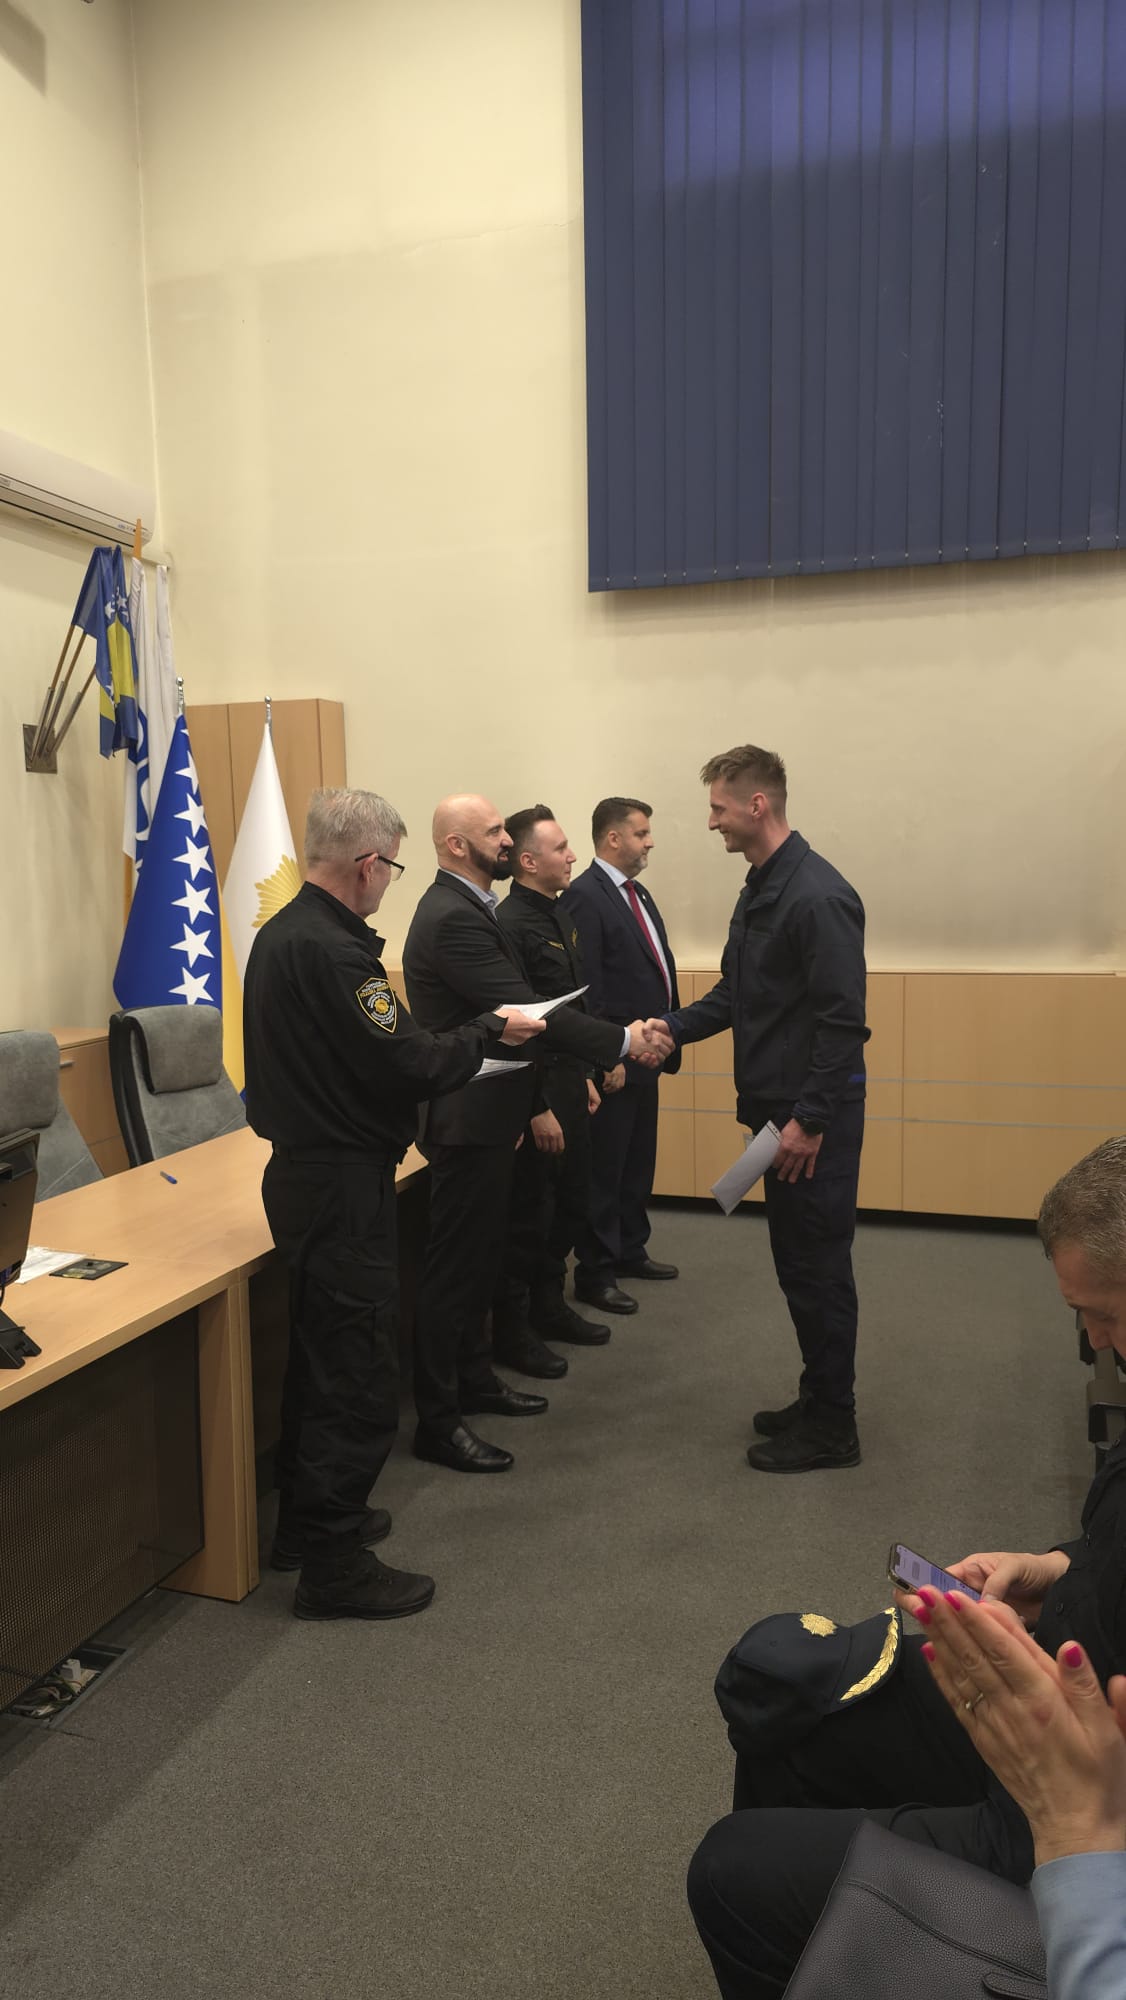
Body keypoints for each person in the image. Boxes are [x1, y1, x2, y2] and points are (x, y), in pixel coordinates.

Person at [686, 1133, 1126, 1998]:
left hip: (1075, 1821)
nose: (1092, 1338)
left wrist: (1072, 1827)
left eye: (1105, 1313)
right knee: (800, 1697)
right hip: (1060, 1694)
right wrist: (1055, 1569)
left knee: (730, 1868)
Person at [242, 786, 544, 1622]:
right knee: (355, 1373)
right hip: (340, 1185)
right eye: (393, 869)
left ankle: (306, 1525)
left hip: (307, 1175)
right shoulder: (338, 953)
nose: (389, 883)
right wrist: (490, 1031)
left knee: (319, 1358)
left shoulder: (281, 935)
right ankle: (334, 1566)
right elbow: (411, 1061)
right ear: (369, 864)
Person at [402, 794, 670, 1472]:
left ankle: (475, 1381)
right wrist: (623, 1040)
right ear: (457, 845)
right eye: (494, 831)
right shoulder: (453, 917)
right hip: (466, 1120)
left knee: (483, 1262)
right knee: (455, 1275)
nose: (506, 839)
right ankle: (439, 1422)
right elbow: (526, 1009)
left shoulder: (477, 908)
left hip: (494, 1114)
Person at [657, 744, 868, 1473]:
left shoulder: (817, 896)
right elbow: (737, 994)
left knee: (818, 1269)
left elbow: (842, 1025)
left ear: (757, 804)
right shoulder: (761, 887)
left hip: (809, 1123)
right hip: (778, 1116)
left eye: (718, 808)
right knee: (797, 1267)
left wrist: (811, 1120)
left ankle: (834, 1426)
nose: (710, 821)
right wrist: (670, 1027)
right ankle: (819, 1396)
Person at [918, 1587, 1126, 2000]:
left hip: (1073, 1842)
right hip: (1080, 1763)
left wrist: (1074, 1833)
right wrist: (1066, 1574)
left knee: (776, 1870)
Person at [496, 804, 615, 1350]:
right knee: (531, 1212)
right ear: (528, 861)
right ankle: (516, 1327)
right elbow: (520, 1024)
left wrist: (585, 1074)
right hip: (536, 1087)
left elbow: (572, 1007)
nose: (572, 856)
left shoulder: (561, 915)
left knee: (572, 1200)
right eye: (560, 848)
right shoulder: (509, 925)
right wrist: (536, 1105)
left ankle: (550, 1306)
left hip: (570, 1079)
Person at [561, 797, 682, 1316]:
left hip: (646, 1054)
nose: (649, 841)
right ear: (613, 838)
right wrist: (605, 1056)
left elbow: (653, 967)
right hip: (615, 1057)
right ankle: (597, 1272)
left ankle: (631, 1248)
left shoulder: (637, 892)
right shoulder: (586, 896)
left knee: (636, 1163)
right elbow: (587, 987)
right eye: (641, 833)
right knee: (605, 1170)